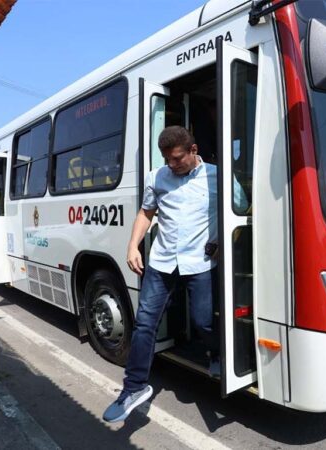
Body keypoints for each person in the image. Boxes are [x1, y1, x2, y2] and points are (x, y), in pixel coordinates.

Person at [103, 126, 218, 423]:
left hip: (200, 263)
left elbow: (242, 210)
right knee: (144, 325)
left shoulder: (217, 176)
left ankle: (216, 354)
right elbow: (146, 213)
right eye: (167, 159)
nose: (171, 165)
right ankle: (134, 388)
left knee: (203, 321)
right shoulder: (157, 177)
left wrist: (224, 243)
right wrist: (133, 246)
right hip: (162, 262)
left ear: (193, 151)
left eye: (177, 158)